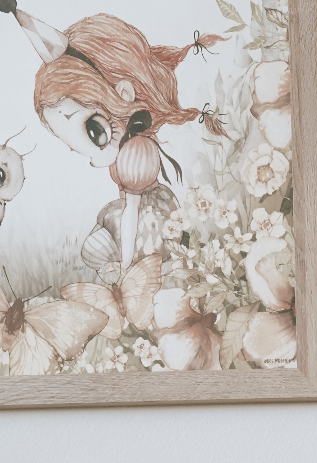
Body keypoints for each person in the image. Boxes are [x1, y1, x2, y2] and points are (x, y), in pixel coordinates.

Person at [1, 6, 226, 271]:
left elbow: (133, 211)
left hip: (151, 220)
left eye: (95, 132)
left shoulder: (138, 152)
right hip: (138, 217)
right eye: (78, 149)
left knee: (99, 248)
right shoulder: (126, 148)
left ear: (124, 93)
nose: (95, 161)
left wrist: (127, 268)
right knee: (96, 247)